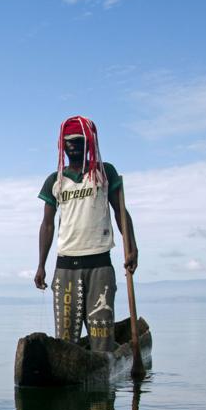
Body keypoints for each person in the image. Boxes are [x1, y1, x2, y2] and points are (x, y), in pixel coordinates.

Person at [34, 115, 137, 353]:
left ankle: (102, 368)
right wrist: (41, 265)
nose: (74, 147)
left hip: (99, 264)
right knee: (66, 341)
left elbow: (121, 213)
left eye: (80, 142)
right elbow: (47, 225)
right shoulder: (55, 180)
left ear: (89, 144)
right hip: (66, 266)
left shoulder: (105, 172)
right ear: (63, 146)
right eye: (69, 142)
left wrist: (131, 247)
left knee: (101, 339)